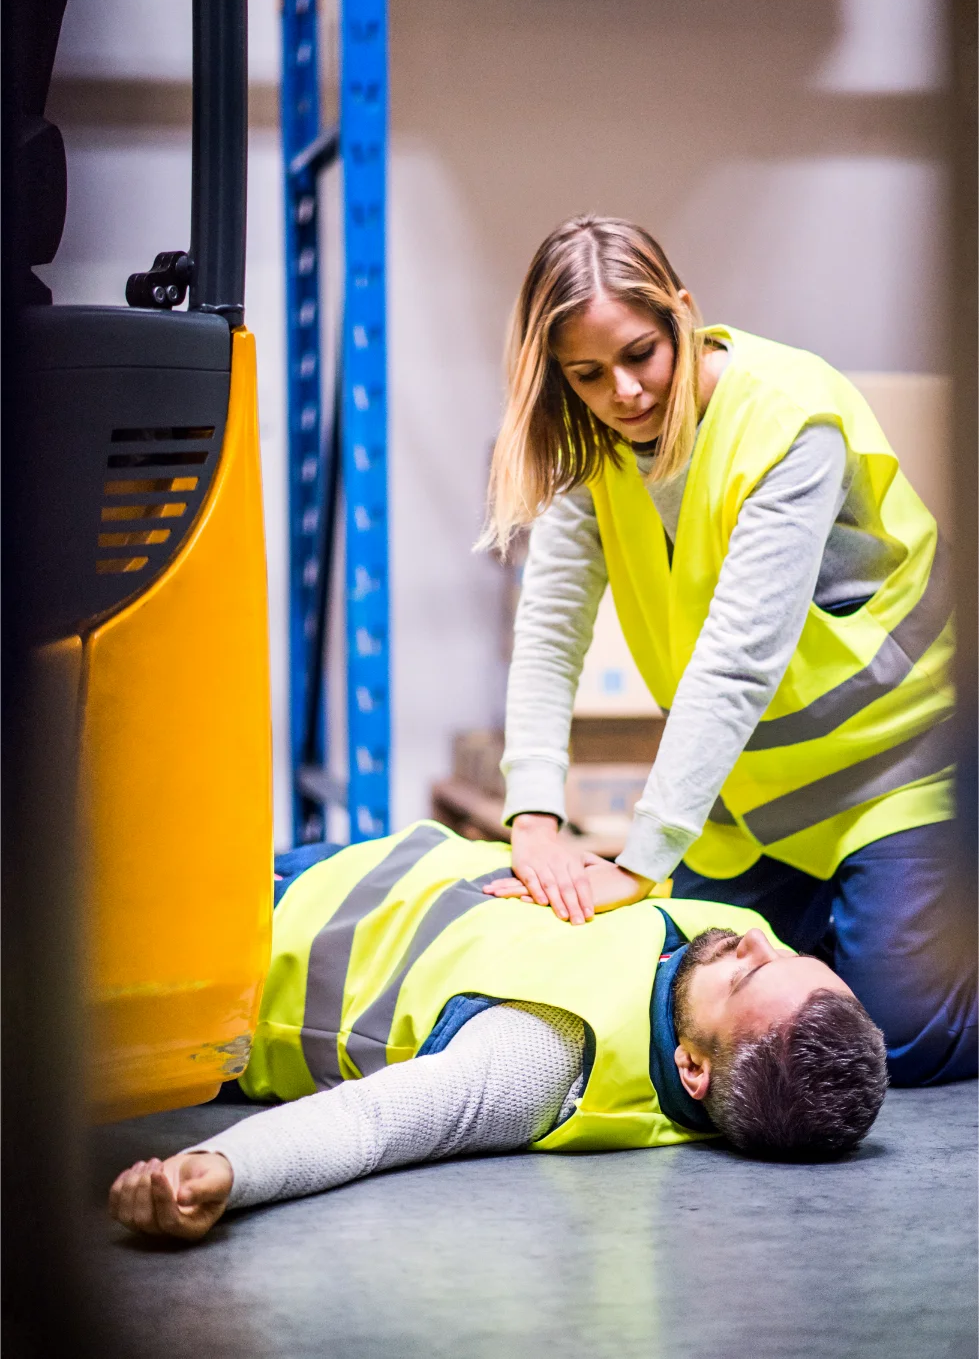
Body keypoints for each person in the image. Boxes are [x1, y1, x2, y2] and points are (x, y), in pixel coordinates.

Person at [479, 215, 975, 1088]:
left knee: (890, 1035)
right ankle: (851, 922)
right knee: (686, 1003)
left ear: (681, 313)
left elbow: (736, 660)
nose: (623, 391)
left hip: (895, 771)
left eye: (640, 354)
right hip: (746, 801)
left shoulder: (788, 419)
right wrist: (533, 822)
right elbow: (551, 629)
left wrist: (641, 860)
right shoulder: (591, 446)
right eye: (586, 374)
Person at [110, 823, 887, 1242]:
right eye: (788, 955)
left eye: (748, 975)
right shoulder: (720, 956)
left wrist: (226, 1170)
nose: (753, 941)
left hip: (229, 954)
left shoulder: (544, 1059)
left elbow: (370, 1124)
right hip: (316, 864)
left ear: (691, 1068)